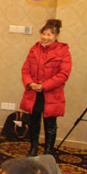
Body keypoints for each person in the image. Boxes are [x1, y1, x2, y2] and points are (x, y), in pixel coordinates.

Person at [20, 19, 72, 156]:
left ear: (56, 36)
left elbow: (63, 74)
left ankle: (48, 152)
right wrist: (30, 83)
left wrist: (44, 86)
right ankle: (33, 149)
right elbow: (25, 70)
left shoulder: (63, 51)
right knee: (34, 122)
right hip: (34, 93)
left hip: (51, 94)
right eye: (44, 34)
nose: (45, 37)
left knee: (50, 125)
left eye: (49, 35)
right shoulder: (34, 49)